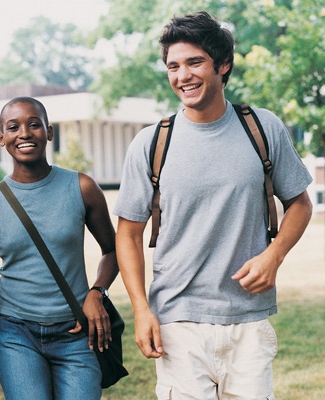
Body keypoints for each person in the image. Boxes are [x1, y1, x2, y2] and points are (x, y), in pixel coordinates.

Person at [113, 11, 313, 399]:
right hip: (178, 320)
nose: (182, 75)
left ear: (223, 65)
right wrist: (141, 308)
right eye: (173, 66)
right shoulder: (151, 143)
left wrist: (274, 255)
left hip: (249, 319)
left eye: (194, 62)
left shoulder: (262, 128)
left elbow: (300, 204)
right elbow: (128, 233)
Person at [0, 97, 121, 400]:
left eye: (34, 124)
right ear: (2, 139)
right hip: (16, 334)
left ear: (49, 132)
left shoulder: (81, 187)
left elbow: (114, 250)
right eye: (13, 127)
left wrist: (97, 291)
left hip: (77, 332)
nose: (24, 133)